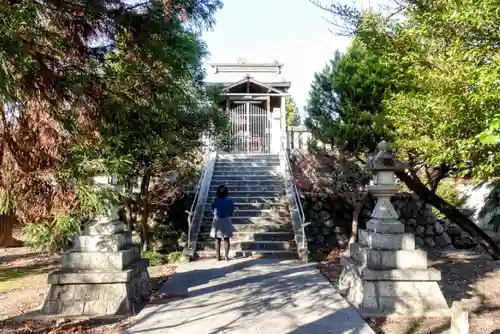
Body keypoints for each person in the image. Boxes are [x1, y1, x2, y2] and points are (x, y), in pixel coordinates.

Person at [210, 185, 235, 261]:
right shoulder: (230, 200)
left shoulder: (214, 200)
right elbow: (231, 210)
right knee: (226, 239)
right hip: (227, 219)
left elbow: (212, 209)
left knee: (217, 239)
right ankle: (226, 257)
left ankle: (218, 257)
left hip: (217, 219)